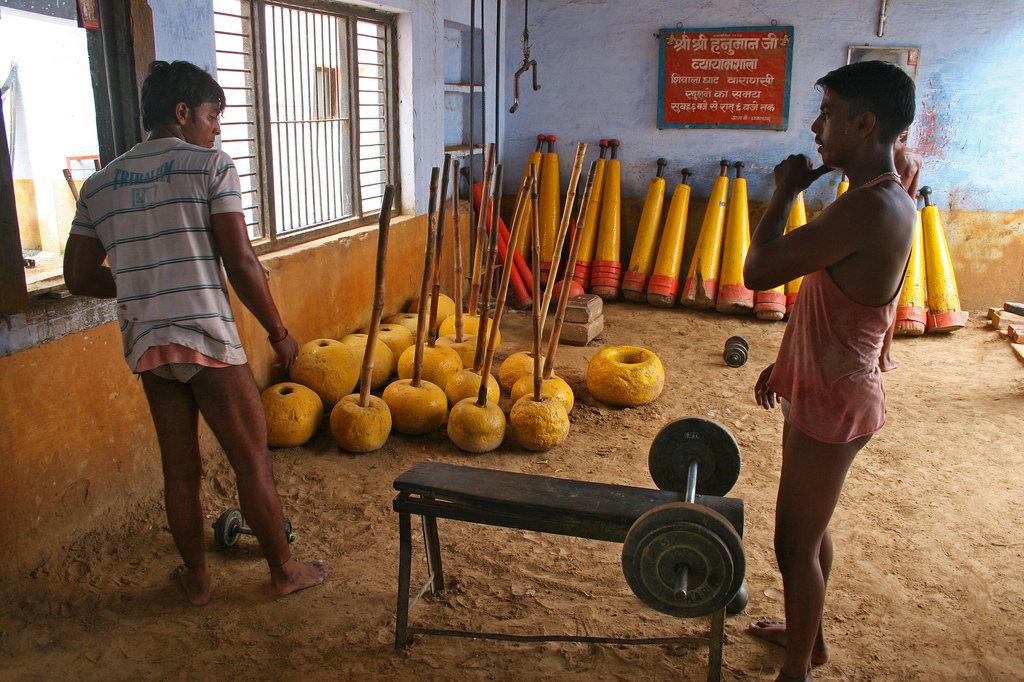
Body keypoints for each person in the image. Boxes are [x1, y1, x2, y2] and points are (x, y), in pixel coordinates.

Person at [63, 60, 328, 605]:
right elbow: (241, 260)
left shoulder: (99, 183)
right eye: (213, 115)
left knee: (178, 470)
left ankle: (199, 580)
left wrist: (146, 283)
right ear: (182, 113)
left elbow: (79, 277)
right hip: (208, 340)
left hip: (148, 346)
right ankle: (283, 570)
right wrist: (278, 332)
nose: (218, 129)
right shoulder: (209, 166)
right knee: (251, 458)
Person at [742, 60, 918, 682]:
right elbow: (835, 305)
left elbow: (758, 271)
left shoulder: (868, 209)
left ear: (867, 123)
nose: (816, 127)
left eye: (829, 113)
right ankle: (805, 635)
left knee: (793, 544)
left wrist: (784, 193)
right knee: (809, 533)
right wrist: (786, 362)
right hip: (823, 382)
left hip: (837, 399)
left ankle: (799, 669)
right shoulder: (872, 198)